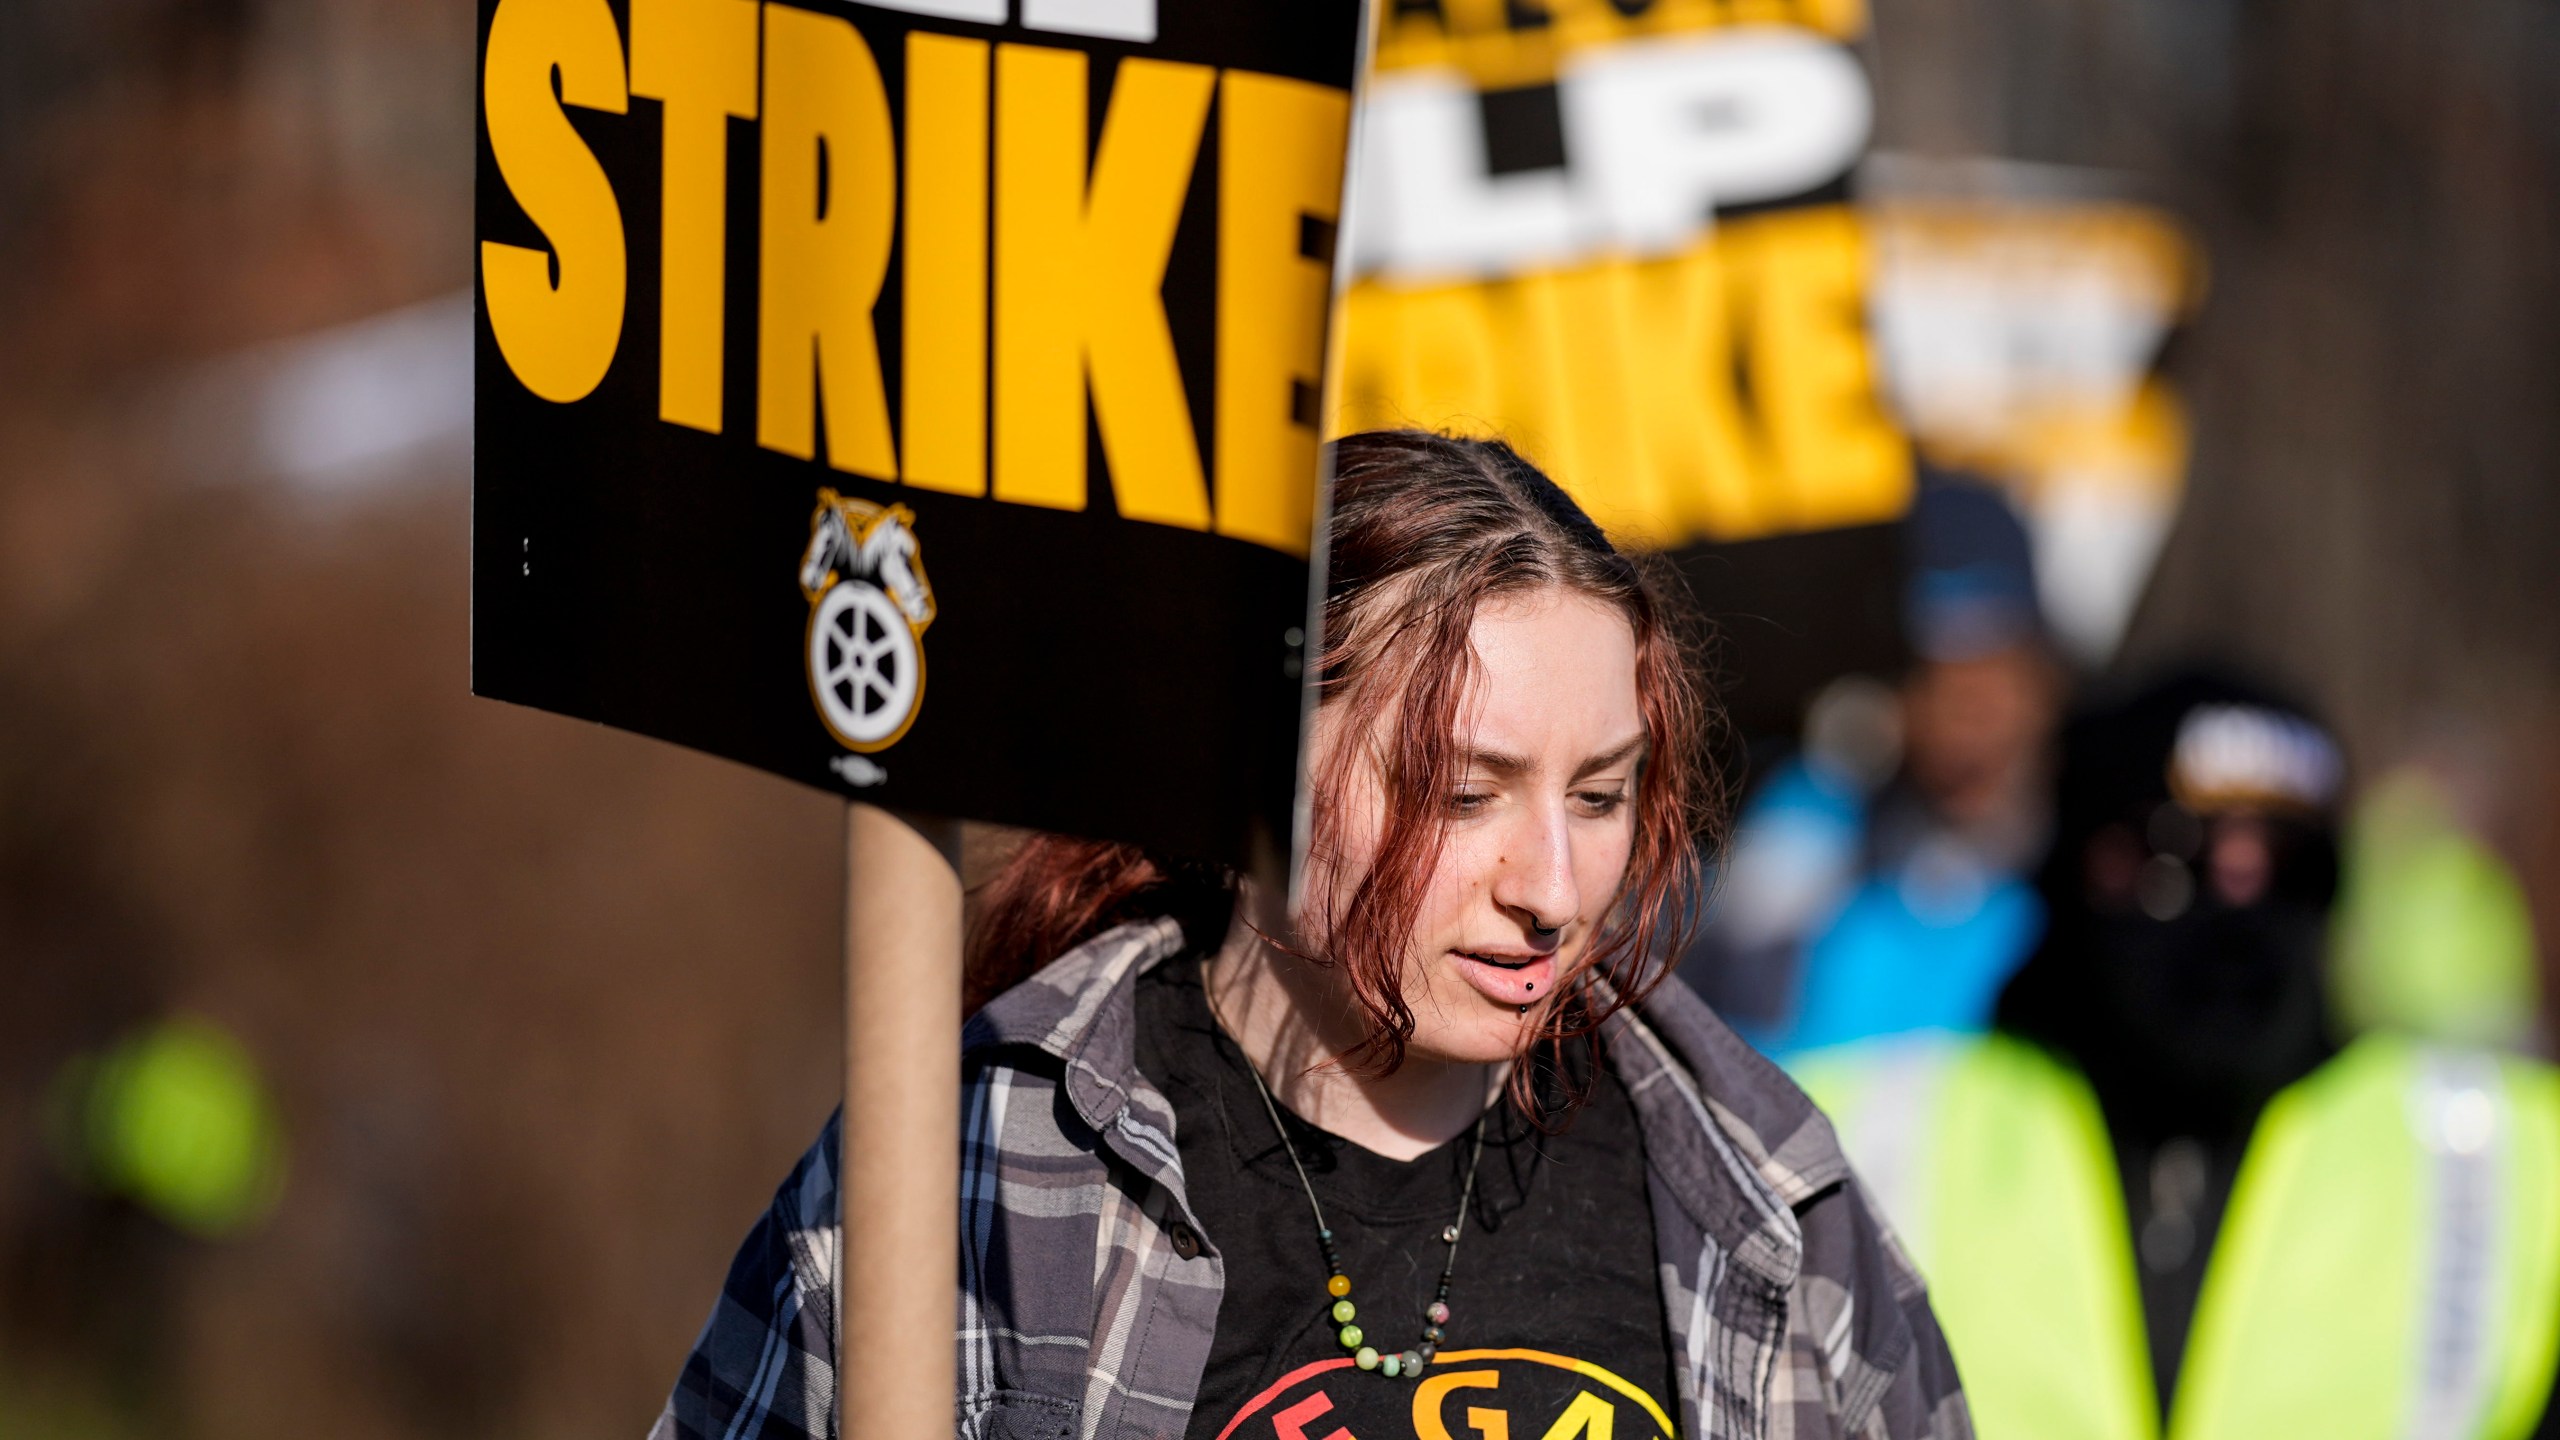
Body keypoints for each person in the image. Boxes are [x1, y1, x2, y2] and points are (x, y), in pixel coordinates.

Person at [650, 431, 1972, 1440]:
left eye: (1600, 795)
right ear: (1254, 770)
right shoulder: (981, 1167)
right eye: (1466, 792)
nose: (1557, 889)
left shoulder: (1766, 1194)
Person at [1796, 672, 2560, 1440]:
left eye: (2285, 865)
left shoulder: (2516, 1155)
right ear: (2075, 870)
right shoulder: (1846, 1133)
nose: (2235, 903)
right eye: (2171, 857)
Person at [1683, 477, 2060, 1057]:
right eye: (1933, 674)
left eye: (1996, 668)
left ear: (2042, 680)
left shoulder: (2099, 852)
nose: (1970, 712)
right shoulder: (1804, 836)